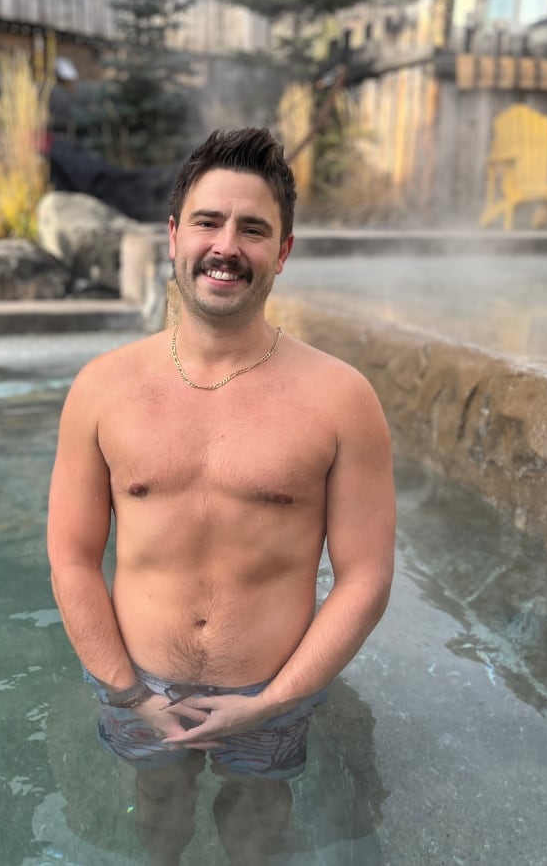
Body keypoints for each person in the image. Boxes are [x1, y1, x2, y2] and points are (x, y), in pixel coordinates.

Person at [46, 126, 396, 865]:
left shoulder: (341, 398)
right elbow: (72, 556)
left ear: (284, 251)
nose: (226, 246)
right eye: (208, 221)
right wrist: (130, 692)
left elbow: (366, 576)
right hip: (136, 680)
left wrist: (272, 700)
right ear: (174, 235)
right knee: (159, 817)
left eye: (254, 229)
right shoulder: (102, 388)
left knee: (257, 828)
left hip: (273, 687)